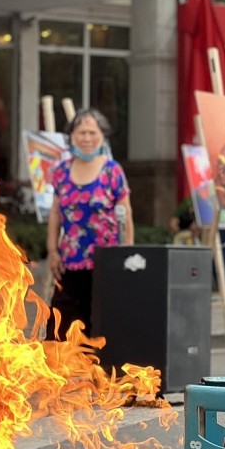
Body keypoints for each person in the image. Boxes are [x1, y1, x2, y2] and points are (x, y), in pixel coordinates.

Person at [46, 108, 133, 340]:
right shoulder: (61, 171)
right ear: (71, 136)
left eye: (92, 132)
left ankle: (98, 376)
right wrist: (52, 251)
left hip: (106, 263)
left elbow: (126, 213)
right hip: (70, 264)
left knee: (100, 329)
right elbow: (55, 214)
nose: (86, 138)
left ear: (102, 136)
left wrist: (128, 256)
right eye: (81, 132)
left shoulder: (112, 171)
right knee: (59, 329)